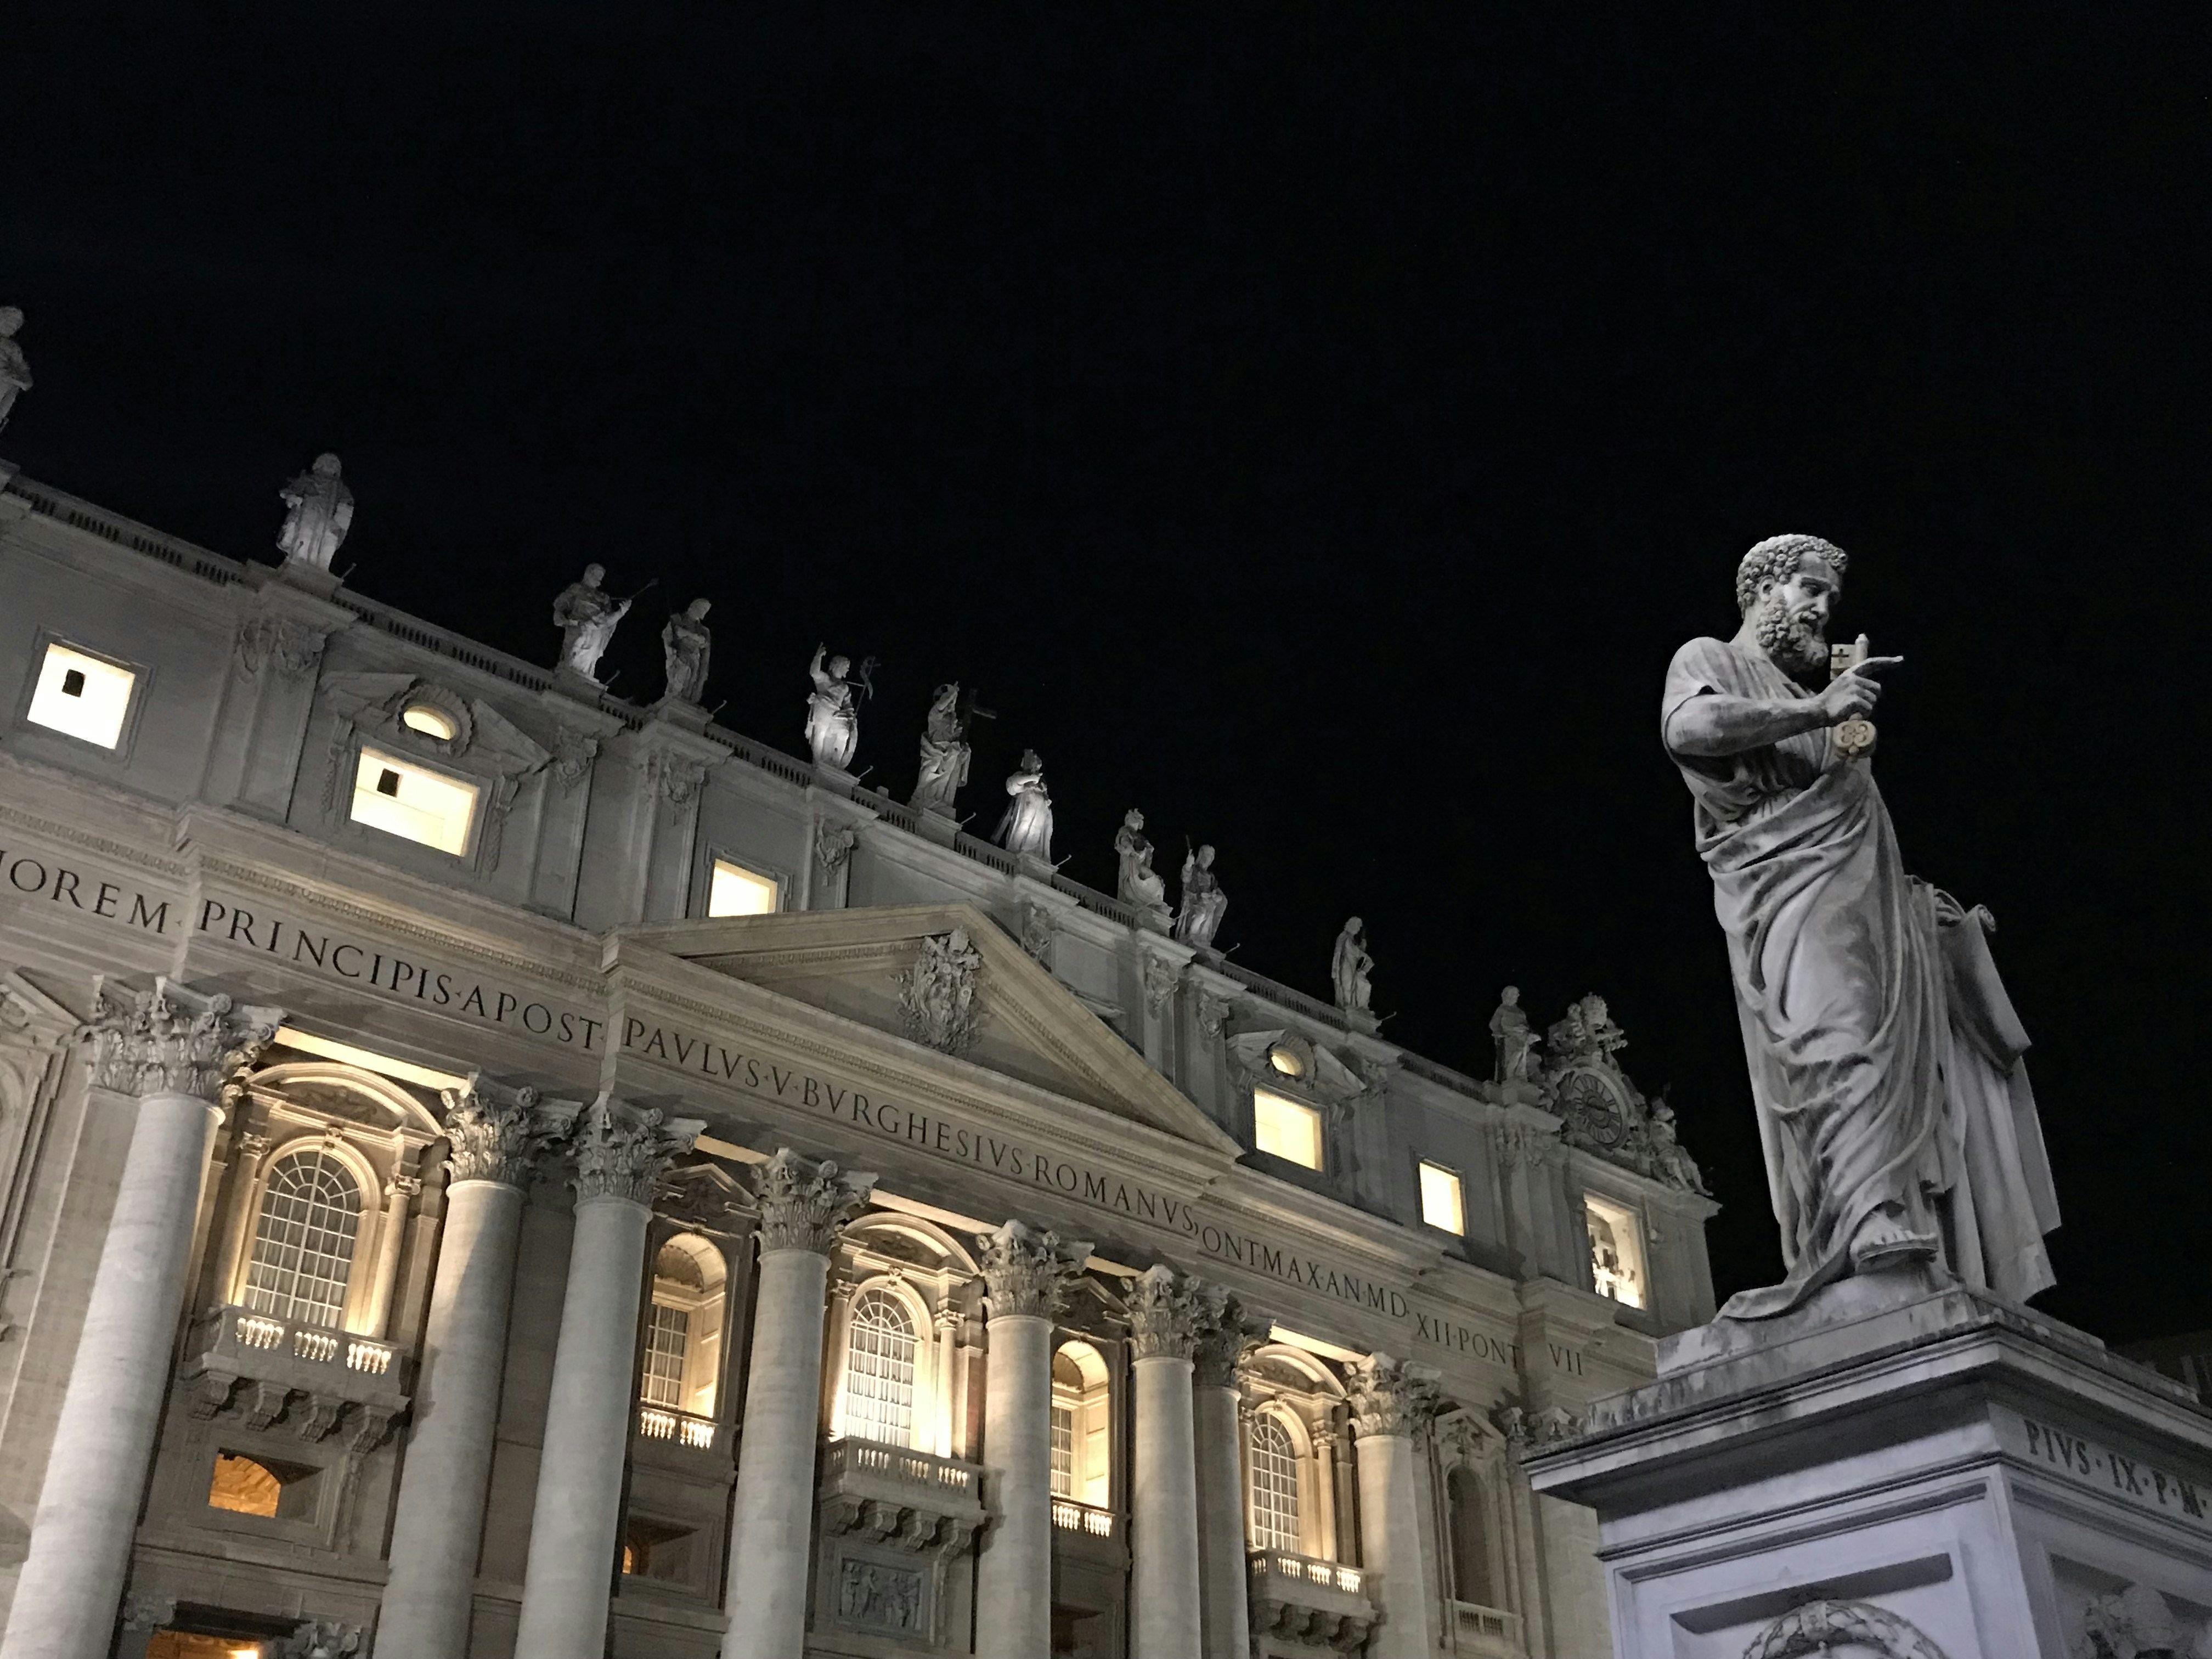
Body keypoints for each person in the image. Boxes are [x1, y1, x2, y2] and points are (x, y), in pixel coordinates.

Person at [1663, 533, 2058, 1318]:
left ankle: (1891, 1216)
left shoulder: (1811, 704)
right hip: (1784, 896)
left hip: (1864, 913)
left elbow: (1859, 840)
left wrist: (1929, 920)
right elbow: (1687, 732)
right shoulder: (1710, 658)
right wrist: (1817, 707)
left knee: (1877, 1053)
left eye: (1829, 600)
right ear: (1762, 593)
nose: (1820, 609)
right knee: (1830, 1038)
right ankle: (1867, 1220)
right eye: (1808, 590)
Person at [276, 453, 355, 572]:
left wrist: (340, 524)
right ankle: (297, 566)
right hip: (307, 517)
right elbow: (290, 492)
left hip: (329, 523)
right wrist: (293, 499)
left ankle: (321, 572)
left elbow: (347, 506)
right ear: (320, 464)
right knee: (304, 541)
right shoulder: (308, 479)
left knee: (326, 546)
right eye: (329, 462)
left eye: (335, 464)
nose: (332, 466)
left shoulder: (341, 488)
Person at [552, 564, 630, 680]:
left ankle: (585, 678)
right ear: (588, 573)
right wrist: (570, 622)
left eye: (602, 576)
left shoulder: (603, 598)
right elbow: (560, 608)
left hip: (596, 633)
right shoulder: (577, 588)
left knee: (589, 661)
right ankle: (568, 675)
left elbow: (607, 621)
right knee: (575, 653)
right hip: (579, 628)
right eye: (598, 575)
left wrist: (621, 612)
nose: (600, 578)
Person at [911, 682, 973, 811]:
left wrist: (960, 738)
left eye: (954, 702)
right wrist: (952, 693)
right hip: (935, 750)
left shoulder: (952, 720)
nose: (952, 704)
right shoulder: (935, 714)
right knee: (931, 771)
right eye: (951, 701)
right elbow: (941, 705)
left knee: (946, 777)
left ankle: (939, 801)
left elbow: (954, 735)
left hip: (949, 751)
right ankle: (923, 797)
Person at [805, 645, 861, 769]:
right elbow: (814, 673)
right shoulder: (825, 680)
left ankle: (835, 765)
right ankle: (818, 763)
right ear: (838, 665)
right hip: (823, 709)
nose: (847, 670)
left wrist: (850, 717)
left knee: (844, 733)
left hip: (837, 715)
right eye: (846, 667)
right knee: (821, 731)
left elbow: (848, 706)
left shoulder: (845, 688)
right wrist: (818, 656)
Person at [994, 751, 1053, 859]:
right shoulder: (1021, 776)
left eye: (1037, 764)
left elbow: (1046, 796)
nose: (1036, 766)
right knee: (1024, 828)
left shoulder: (1042, 783)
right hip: (1026, 808)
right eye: (1034, 763)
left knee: (1037, 833)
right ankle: (1017, 852)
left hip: (1040, 811)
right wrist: (1031, 778)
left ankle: (1036, 855)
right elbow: (1012, 786)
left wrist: (1046, 800)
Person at [1173, 842, 1227, 947]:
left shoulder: (1210, 876)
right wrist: (1188, 865)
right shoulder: (1194, 869)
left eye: (1210, 857)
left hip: (1207, 901)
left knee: (1209, 908)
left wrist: (1217, 897)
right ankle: (1191, 937)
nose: (1207, 859)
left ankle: (1202, 940)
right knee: (1202, 912)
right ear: (1200, 856)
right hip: (1194, 900)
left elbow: (1216, 891)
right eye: (1206, 855)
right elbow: (1186, 877)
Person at [1114, 809, 1169, 911]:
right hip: (1132, 863)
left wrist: (1147, 850)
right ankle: (1144, 899)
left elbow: (1147, 849)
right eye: (1134, 819)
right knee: (1141, 875)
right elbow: (1124, 844)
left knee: (1156, 881)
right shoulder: (1125, 831)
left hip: (1140, 862)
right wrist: (1133, 851)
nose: (1136, 823)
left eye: (1137, 820)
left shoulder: (1139, 836)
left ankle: (1152, 898)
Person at [661, 597, 713, 703]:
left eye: (706, 610)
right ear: (694, 607)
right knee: (679, 680)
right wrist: (693, 637)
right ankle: (672, 700)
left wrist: (704, 672)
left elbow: (706, 650)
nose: (704, 612)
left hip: (695, 659)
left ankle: (685, 702)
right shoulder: (677, 619)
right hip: (679, 656)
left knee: (691, 683)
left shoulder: (704, 630)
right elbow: (670, 634)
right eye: (703, 608)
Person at [1330, 916, 1374, 1013]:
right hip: (1345, 965)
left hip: (1352, 966)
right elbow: (1344, 952)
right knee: (1347, 985)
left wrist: (1363, 947)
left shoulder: (1351, 940)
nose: (1358, 930)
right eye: (1358, 926)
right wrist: (1335, 969)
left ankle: (1350, 1006)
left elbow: (1357, 953)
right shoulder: (1344, 936)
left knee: (1352, 986)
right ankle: (1347, 1006)